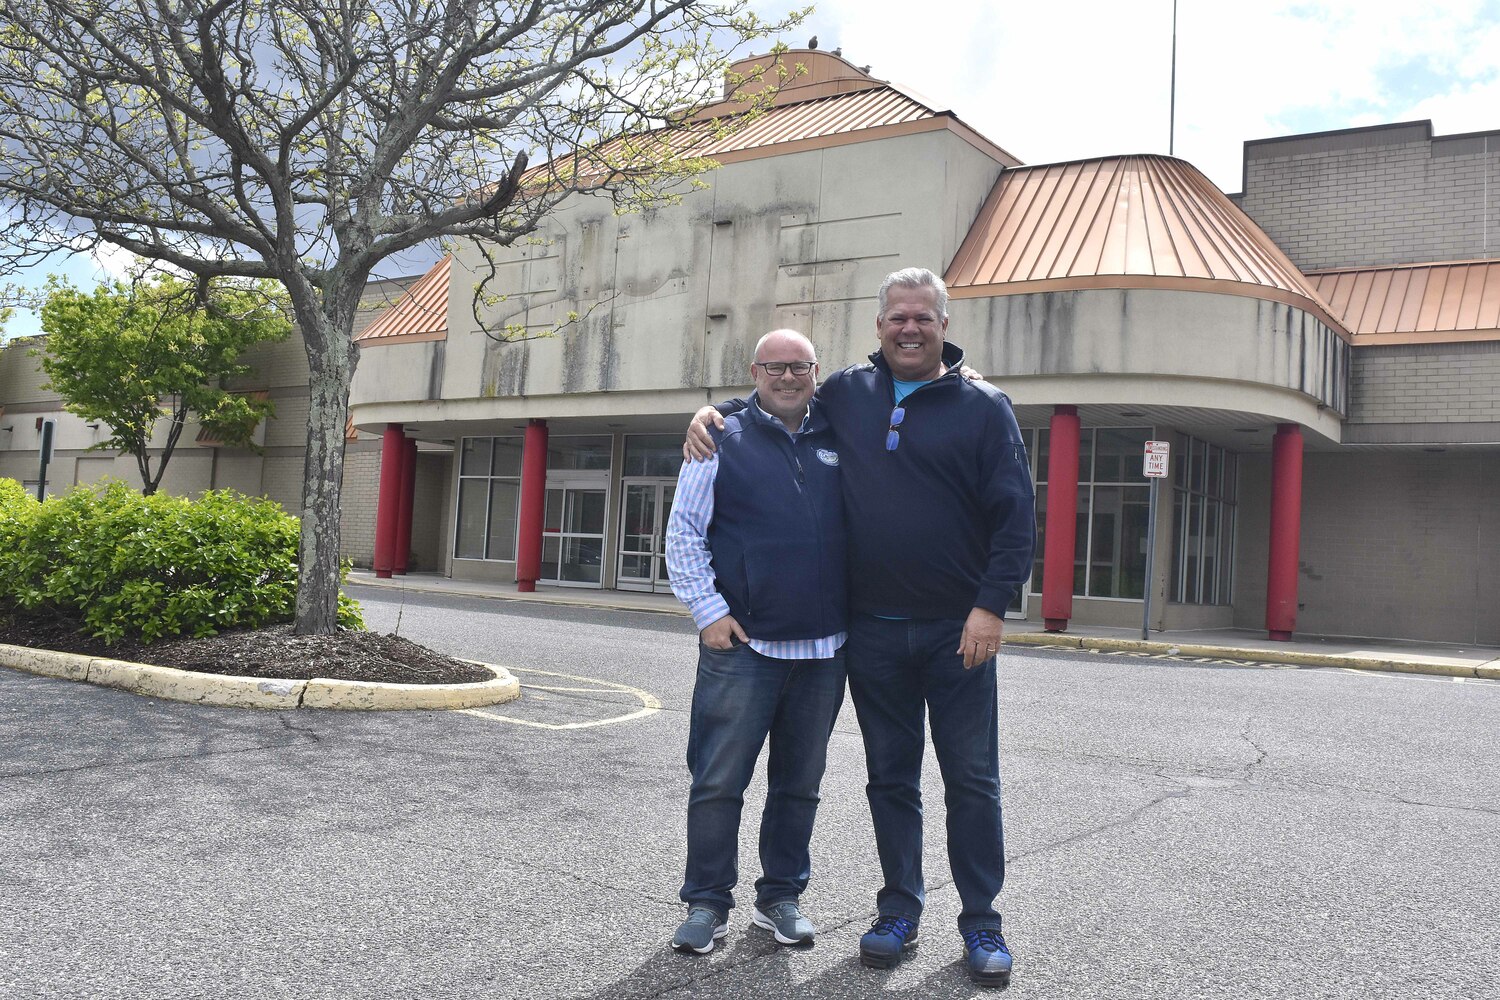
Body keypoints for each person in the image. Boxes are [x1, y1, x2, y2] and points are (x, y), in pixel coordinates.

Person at [685, 268, 1035, 988]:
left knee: (972, 780)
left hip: (958, 632)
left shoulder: (985, 407)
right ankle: (899, 913)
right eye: (898, 318)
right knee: (891, 781)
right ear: (879, 327)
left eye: (924, 319)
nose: (910, 329)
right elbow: (772, 396)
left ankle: (982, 924)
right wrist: (709, 412)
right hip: (871, 632)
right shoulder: (847, 391)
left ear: (944, 325)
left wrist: (991, 606)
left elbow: (1015, 518)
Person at [664, 329, 849, 955]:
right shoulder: (719, 435)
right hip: (742, 649)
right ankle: (706, 903)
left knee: (799, 784)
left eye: (800, 366)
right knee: (718, 781)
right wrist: (708, 612)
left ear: (816, 371)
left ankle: (780, 898)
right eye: (776, 366)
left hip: (825, 651)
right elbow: (685, 530)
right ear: (755, 370)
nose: (788, 376)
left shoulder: (840, 433)